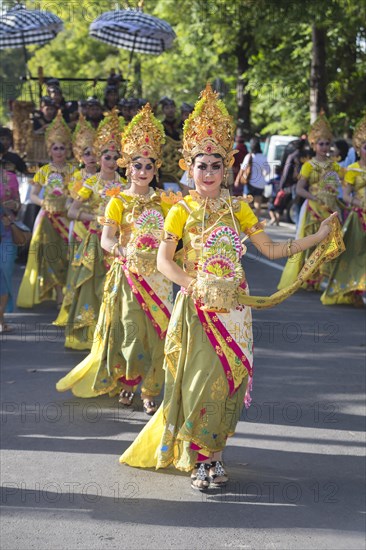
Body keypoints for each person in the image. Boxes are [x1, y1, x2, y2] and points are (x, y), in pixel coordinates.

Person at [119, 84, 343, 490]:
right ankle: (201, 460)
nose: (208, 174)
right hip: (198, 308)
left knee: (228, 381)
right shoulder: (179, 210)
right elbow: (164, 262)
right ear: (189, 167)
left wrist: (318, 235)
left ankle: (215, 457)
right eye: (201, 165)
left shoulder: (239, 209)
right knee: (201, 382)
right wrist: (193, 284)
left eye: (215, 166)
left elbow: (273, 250)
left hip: (236, 311)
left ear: (227, 167)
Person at [56, 104, 176, 415]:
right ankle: (127, 383)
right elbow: (108, 240)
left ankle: (151, 389)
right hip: (129, 275)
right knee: (130, 334)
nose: (144, 171)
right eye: (138, 166)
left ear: (155, 169)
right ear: (127, 167)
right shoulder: (116, 201)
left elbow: (180, 238)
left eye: (150, 166)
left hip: (160, 279)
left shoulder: (166, 201)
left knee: (158, 336)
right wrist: (125, 251)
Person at [57, 109, 126, 350]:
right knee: (92, 287)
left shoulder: (125, 185)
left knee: (115, 288)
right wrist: (95, 217)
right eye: (106, 157)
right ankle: (89, 334)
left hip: (117, 243)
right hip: (95, 240)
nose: (110, 161)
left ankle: (112, 335)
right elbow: (72, 212)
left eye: (116, 157)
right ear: (99, 158)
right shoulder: (90, 182)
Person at [278, 114, 342, 292]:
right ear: (314, 145)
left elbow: (340, 186)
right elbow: (299, 189)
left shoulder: (334, 166)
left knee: (329, 242)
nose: (324, 147)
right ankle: (306, 277)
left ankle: (321, 277)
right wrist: (315, 198)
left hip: (330, 209)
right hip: (313, 208)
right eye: (320, 143)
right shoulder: (308, 165)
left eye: (327, 143)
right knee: (310, 243)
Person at [16, 111, 74, 309]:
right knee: (53, 256)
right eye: (56, 148)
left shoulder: (75, 171)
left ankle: (69, 293)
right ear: (50, 150)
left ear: (68, 150)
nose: (59, 151)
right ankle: (59, 295)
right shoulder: (43, 171)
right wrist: (44, 204)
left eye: (62, 148)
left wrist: (69, 204)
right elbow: (32, 196)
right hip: (48, 219)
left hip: (69, 218)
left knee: (69, 255)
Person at [53, 114, 97, 330]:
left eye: (95, 153)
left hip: (101, 229)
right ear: (81, 155)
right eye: (87, 153)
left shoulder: (108, 178)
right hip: (81, 228)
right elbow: (71, 205)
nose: (92, 157)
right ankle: (74, 308)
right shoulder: (77, 177)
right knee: (78, 269)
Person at [321, 115, 366, 306]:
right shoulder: (353, 169)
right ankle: (356, 287)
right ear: (358, 149)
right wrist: (358, 201)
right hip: (359, 217)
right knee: (356, 254)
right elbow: (346, 195)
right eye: (365, 146)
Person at [0, 143, 21, 333]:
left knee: (5, 273)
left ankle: (1, 319)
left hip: (5, 233)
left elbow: (18, 204)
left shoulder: (10, 178)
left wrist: (11, 206)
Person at [234, 137, 270, 218]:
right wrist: (262, 175)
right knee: (258, 201)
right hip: (260, 183)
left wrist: (237, 180)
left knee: (246, 201)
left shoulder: (249, 156)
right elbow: (268, 171)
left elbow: (242, 169)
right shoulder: (263, 157)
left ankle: (248, 217)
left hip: (250, 182)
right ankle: (256, 218)